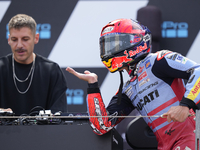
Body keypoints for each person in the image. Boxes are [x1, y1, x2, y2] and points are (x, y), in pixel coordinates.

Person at [66, 18, 199, 150]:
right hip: (166, 146)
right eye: (107, 45)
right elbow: (101, 126)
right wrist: (92, 85)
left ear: (134, 41)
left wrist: (185, 105)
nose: (109, 50)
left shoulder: (159, 60)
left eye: (115, 43)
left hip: (192, 137)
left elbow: (198, 71)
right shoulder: (129, 89)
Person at [0, 14, 67, 116]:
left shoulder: (52, 71)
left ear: (36, 38)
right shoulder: (1, 68)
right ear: (9, 39)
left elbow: (59, 116)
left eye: (25, 39)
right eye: (14, 39)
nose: (19, 45)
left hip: (43, 132)